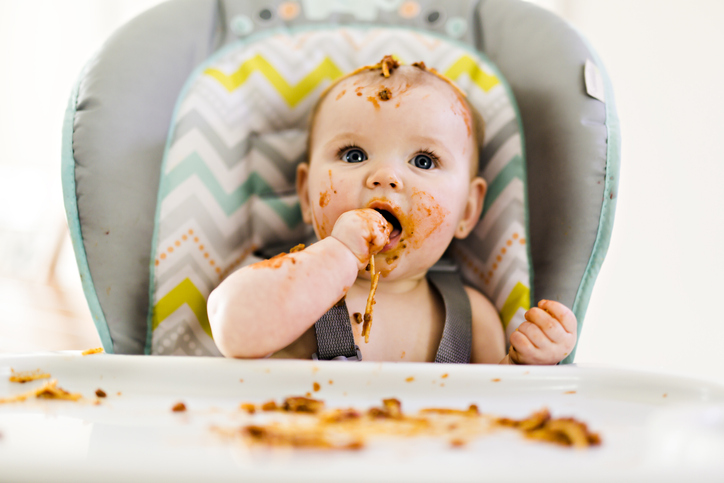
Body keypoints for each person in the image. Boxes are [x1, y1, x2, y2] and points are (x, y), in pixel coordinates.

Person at [207, 56, 577, 364]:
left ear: (467, 209)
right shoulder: (293, 290)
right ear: (306, 195)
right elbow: (233, 328)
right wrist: (338, 254)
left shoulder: (471, 316)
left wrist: (523, 363)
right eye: (354, 155)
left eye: (423, 160)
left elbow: (493, 410)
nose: (385, 176)